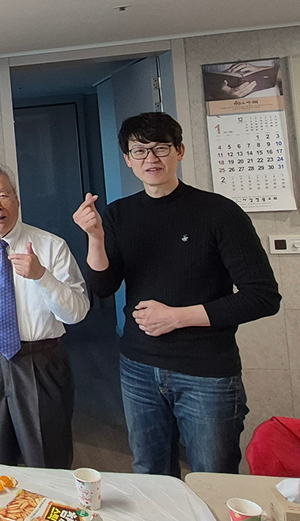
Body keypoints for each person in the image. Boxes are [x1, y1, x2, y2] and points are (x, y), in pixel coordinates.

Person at [72, 112, 280, 475]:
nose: (150, 159)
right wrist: (95, 237)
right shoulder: (119, 213)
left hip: (206, 372)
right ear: (128, 159)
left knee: (212, 477)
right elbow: (103, 287)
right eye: (139, 151)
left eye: (161, 148)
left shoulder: (219, 213)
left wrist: (178, 317)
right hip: (138, 366)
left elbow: (263, 296)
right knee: (150, 475)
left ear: (179, 151)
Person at [0, 161, 89, 469]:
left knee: (47, 457)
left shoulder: (52, 246)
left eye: (3, 195)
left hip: (41, 361)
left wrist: (42, 276)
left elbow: (77, 312)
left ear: (16, 199)